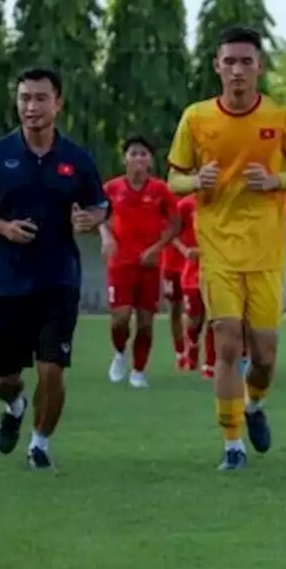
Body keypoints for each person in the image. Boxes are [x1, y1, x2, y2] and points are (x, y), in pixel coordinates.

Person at [167, 26, 286, 471]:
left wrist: (277, 180)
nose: (237, 70)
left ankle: (254, 404)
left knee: (265, 357)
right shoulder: (196, 118)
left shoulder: (281, 116)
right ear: (217, 66)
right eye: (228, 61)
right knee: (228, 345)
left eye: (245, 61)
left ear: (259, 66)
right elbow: (173, 178)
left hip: (267, 252)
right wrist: (196, 181)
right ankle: (232, 444)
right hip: (218, 250)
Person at [0, 67, 108, 470]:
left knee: (52, 370)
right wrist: (2, 227)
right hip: (5, 282)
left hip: (58, 280)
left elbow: (99, 204)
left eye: (41, 98)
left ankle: (39, 443)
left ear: (57, 103)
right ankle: (16, 406)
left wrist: (89, 220)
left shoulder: (76, 159)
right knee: (4, 378)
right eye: (25, 98)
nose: (32, 106)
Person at [101, 136, 180, 388]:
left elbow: (176, 223)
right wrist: (106, 236)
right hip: (120, 264)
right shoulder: (112, 188)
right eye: (133, 154)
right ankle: (120, 353)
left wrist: (157, 248)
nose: (138, 159)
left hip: (149, 266)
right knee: (120, 318)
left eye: (143, 154)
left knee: (146, 322)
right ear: (125, 159)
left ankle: (138, 371)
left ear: (150, 161)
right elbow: (96, 214)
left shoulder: (160, 190)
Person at [171, 194, 213, 377]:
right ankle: (193, 346)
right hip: (192, 273)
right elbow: (170, 233)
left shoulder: (223, 202)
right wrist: (185, 250)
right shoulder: (186, 205)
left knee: (214, 318)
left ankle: (210, 365)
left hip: (217, 269)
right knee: (194, 319)